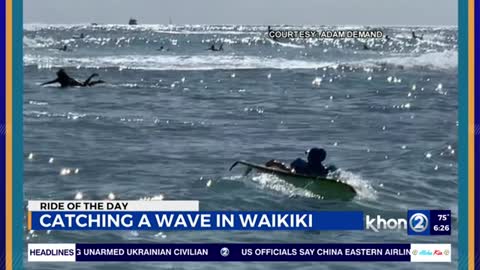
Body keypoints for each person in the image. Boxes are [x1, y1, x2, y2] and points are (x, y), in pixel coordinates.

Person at [265, 147, 334, 177]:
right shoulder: (301, 164)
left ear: (311, 157)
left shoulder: (324, 169)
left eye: (309, 155)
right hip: (298, 170)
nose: (308, 157)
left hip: (302, 170)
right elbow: (290, 169)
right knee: (289, 168)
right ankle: (273, 162)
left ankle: (273, 162)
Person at [41, 69, 105, 88]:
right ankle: (97, 81)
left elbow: (50, 82)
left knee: (85, 85)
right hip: (77, 84)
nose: (57, 75)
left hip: (78, 84)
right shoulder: (60, 79)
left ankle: (93, 77)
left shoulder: (61, 79)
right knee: (88, 84)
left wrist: (43, 84)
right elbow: (50, 82)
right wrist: (43, 84)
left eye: (58, 74)